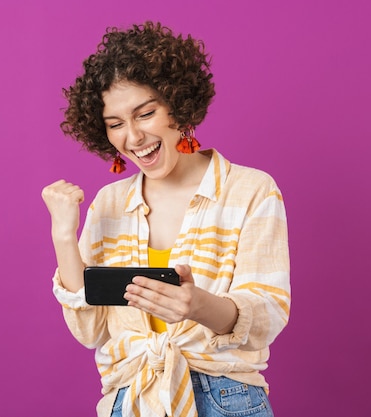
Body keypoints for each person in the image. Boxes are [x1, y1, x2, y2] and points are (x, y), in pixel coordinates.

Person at [41, 21, 290, 417]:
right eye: (115, 124)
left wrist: (199, 305)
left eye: (145, 113)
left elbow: (268, 315)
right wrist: (62, 236)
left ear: (178, 103)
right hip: (133, 397)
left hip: (226, 399)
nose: (134, 137)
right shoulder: (108, 204)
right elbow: (90, 331)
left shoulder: (250, 190)